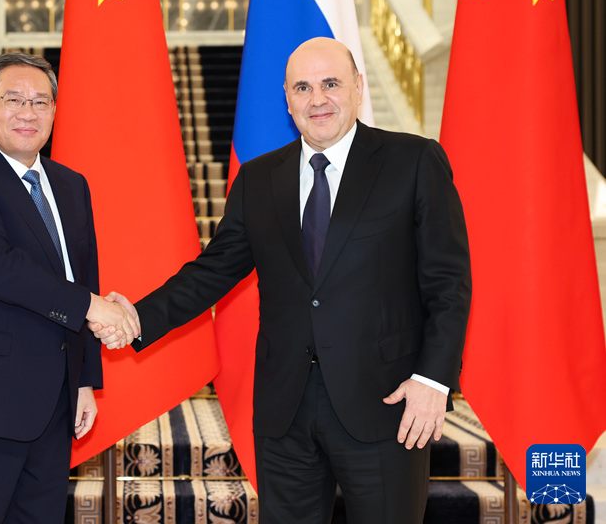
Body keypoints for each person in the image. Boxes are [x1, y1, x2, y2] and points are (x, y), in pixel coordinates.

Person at [95, 37, 471, 523]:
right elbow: (212, 271)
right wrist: (134, 317)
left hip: (387, 404)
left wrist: (432, 379)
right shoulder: (258, 179)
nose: (318, 99)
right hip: (285, 411)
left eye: (331, 83)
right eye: (303, 88)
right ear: (288, 100)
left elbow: (448, 283)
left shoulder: (413, 161)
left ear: (358, 87)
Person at [0, 52, 139, 524]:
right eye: (14, 99)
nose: (28, 112)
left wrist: (84, 381)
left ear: (54, 111)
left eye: (40, 102)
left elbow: (83, 277)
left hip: (53, 406)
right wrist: (93, 307)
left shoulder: (71, 184)